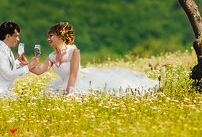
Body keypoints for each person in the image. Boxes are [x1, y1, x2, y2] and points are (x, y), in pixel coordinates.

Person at [28, 22, 159, 96]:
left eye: (51, 36)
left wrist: (69, 93)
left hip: (77, 84)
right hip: (61, 85)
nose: (48, 39)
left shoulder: (73, 52)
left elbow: (73, 75)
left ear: (60, 36)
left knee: (111, 91)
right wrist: (26, 64)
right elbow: (39, 71)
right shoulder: (52, 56)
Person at [0, 21, 40, 98]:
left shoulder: (6, 49)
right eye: (16, 36)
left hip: (1, 91)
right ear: (8, 36)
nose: (18, 39)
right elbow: (8, 75)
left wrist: (19, 62)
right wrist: (30, 65)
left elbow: (8, 68)